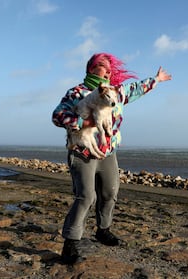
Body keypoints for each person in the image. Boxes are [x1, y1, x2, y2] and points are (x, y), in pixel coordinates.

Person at [52, 52, 172, 264]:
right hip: (83, 152)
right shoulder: (77, 93)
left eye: (109, 68)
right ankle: (70, 243)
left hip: (108, 153)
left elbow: (136, 89)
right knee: (86, 197)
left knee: (110, 192)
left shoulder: (117, 92)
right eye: (103, 67)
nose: (108, 71)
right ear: (91, 68)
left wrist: (156, 79)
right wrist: (83, 124)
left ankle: (103, 230)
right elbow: (57, 115)